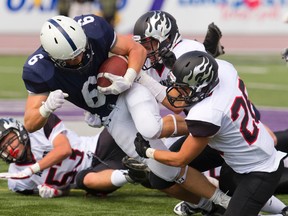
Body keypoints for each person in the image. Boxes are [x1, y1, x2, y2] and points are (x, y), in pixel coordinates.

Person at [21, 14, 231, 209]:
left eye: (82, 50)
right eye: (72, 59)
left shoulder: (93, 28)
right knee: (162, 170)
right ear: (53, 58)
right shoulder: (38, 70)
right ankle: (214, 202)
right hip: (110, 115)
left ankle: (206, 126)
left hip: (128, 87)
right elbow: (30, 124)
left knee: (151, 128)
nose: (81, 58)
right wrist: (47, 107)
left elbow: (136, 49)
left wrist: (129, 78)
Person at [134, 50, 287, 216]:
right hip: (233, 143)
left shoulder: (208, 113)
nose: (178, 93)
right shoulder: (224, 70)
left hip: (259, 169)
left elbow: (180, 159)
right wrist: (177, 69)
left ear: (202, 87)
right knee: (160, 175)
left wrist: (148, 152)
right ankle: (204, 204)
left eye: (184, 89)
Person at [0, 114, 148, 198]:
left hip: (98, 146)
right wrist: (55, 192)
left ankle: (167, 137)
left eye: (10, 140)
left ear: (19, 131)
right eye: (3, 148)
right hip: (91, 174)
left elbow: (64, 150)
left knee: (121, 122)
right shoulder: (16, 180)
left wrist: (32, 169)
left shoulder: (39, 128)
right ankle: (134, 174)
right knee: (87, 180)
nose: (9, 148)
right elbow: (66, 189)